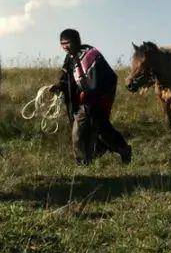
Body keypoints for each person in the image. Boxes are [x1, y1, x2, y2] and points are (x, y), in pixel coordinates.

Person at [50, 28, 131, 166]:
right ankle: (119, 151)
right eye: (62, 44)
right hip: (85, 101)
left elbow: (98, 80)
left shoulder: (90, 54)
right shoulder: (70, 57)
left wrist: (89, 94)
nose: (65, 47)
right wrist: (59, 86)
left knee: (84, 131)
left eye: (67, 43)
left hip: (96, 99)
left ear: (76, 41)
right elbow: (67, 77)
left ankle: (84, 163)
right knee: (99, 129)